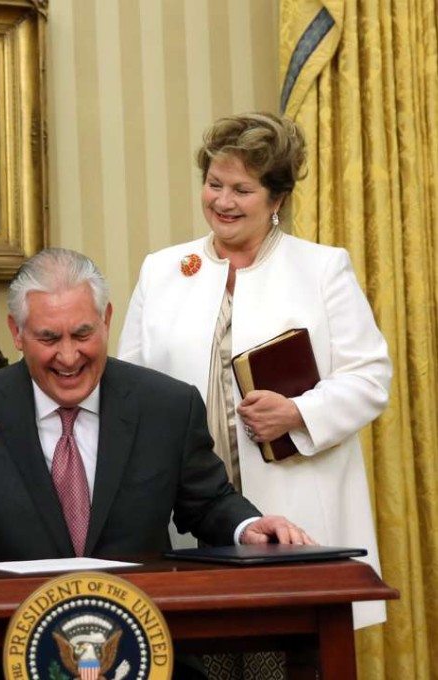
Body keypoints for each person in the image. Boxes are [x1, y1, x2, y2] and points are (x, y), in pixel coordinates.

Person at [0, 249, 312, 679]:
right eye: (48, 338)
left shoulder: (167, 406)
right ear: (17, 333)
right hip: (2, 654)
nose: (68, 356)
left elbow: (209, 502)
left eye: (82, 334)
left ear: (107, 320)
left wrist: (248, 527)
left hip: (145, 651)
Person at [118, 112, 391, 675]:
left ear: (277, 198)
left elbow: (370, 378)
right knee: (200, 658)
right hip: (191, 516)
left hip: (294, 512)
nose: (223, 201)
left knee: (288, 661)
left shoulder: (322, 269)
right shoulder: (164, 270)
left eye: (242, 189)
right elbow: (131, 387)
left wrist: (298, 411)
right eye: (214, 184)